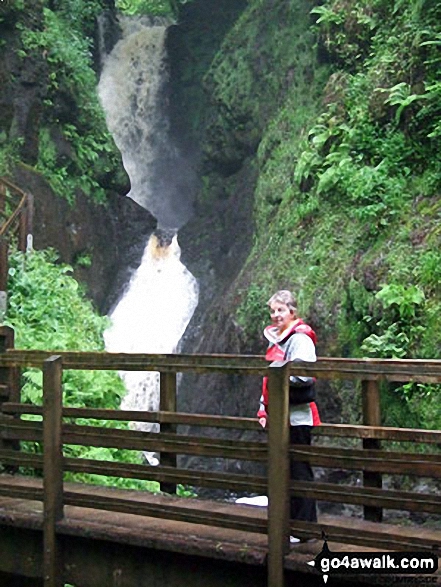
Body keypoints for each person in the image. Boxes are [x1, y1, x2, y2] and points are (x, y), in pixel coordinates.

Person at [257, 289, 320, 526]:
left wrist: (280, 376)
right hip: (281, 416)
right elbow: (266, 381)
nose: (275, 315)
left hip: (297, 417)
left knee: (298, 472)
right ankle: (289, 523)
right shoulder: (279, 339)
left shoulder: (299, 338)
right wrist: (263, 408)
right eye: (272, 310)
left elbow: (305, 375)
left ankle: (303, 528)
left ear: (292, 311)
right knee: (284, 471)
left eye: (280, 310)